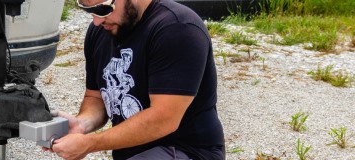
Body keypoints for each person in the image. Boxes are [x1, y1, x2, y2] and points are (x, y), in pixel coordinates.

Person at [47, 0, 225, 159]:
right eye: (87, 10)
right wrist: (81, 124)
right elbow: (96, 98)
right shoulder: (100, 31)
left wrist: (91, 143)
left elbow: (164, 119)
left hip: (184, 150)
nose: (96, 20)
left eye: (102, 9)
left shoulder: (177, 28)